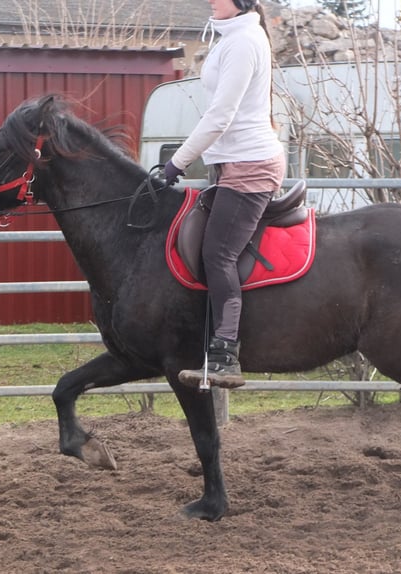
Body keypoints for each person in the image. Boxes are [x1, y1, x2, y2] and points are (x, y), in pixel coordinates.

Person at [164, 0, 285, 389]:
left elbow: (221, 114)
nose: (210, 1)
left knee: (219, 253)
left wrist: (178, 162)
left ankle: (225, 355)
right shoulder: (231, 37)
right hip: (231, 163)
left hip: (250, 165)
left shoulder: (244, 41)